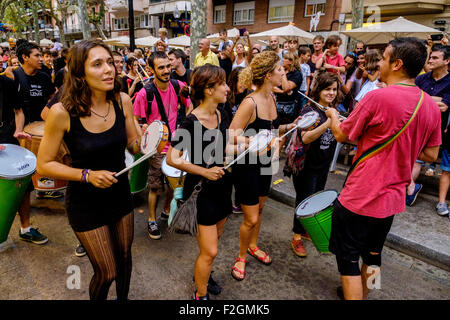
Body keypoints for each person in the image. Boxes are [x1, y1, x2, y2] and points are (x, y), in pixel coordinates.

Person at [325, 37, 441, 300]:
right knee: (374, 255)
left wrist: (332, 116)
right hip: (391, 199)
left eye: (385, 58)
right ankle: (366, 294)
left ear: (397, 64)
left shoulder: (378, 97)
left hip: (361, 195)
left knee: (348, 260)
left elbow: (343, 135)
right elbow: (432, 154)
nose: (379, 63)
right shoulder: (430, 106)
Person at [36, 39, 139, 300]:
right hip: (85, 203)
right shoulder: (62, 112)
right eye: (98, 64)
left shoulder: (122, 100)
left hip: (120, 193)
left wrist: (150, 139)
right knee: (106, 271)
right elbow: (44, 164)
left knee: (125, 258)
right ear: (80, 72)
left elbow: (134, 146)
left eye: (110, 63)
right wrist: (87, 175)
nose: (109, 70)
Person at [228, 51, 300, 281]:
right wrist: (256, 142)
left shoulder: (273, 98)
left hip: (266, 164)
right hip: (248, 165)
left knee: (259, 211)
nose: (283, 72)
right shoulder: (250, 102)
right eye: (280, 69)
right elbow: (231, 134)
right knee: (249, 218)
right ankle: (240, 256)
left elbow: (270, 128)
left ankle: (253, 245)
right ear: (269, 74)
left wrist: (292, 125)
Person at [168, 64, 233, 300]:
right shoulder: (191, 122)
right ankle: (200, 294)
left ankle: (204, 274)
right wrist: (204, 172)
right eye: (223, 84)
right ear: (208, 89)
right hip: (202, 193)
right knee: (210, 249)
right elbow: (172, 158)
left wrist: (252, 148)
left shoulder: (221, 113)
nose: (227, 88)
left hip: (224, 187)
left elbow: (223, 145)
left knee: (211, 248)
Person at [133, 51, 191, 240]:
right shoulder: (145, 93)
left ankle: (166, 210)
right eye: (161, 67)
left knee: (174, 185)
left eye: (168, 66)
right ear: (152, 69)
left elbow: (190, 106)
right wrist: (144, 136)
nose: (166, 70)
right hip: (157, 148)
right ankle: (151, 219)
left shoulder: (178, 85)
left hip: (176, 146)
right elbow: (135, 119)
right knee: (156, 187)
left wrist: (184, 124)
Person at [289, 70, 340, 257]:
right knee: (303, 201)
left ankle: (305, 231)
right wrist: (329, 121)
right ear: (318, 90)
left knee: (316, 198)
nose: (331, 93)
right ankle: (296, 237)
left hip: (322, 165)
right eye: (327, 89)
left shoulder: (332, 110)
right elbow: (306, 137)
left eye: (334, 89)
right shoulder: (310, 111)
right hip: (307, 167)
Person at [12, 41, 56, 244]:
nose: (41, 58)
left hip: (42, 134)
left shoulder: (45, 77)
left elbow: (52, 100)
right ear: (24, 58)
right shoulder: (12, 77)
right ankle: (25, 227)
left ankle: (47, 188)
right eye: (37, 55)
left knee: (46, 167)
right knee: (23, 184)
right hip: (18, 136)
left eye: (41, 55)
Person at [410, 44, 450, 212]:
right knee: (412, 160)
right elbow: (411, 100)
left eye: (435, 58)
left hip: (438, 132)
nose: (430, 60)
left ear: (447, 61)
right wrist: (432, 99)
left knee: (425, 160)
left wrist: (423, 99)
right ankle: (408, 190)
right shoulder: (421, 79)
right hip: (416, 127)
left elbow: (443, 107)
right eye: (430, 57)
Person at [273, 50, 303, 124]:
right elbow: (272, 87)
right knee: (276, 128)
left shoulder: (296, 74)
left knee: (288, 129)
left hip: (290, 106)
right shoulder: (279, 71)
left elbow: (286, 87)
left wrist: (283, 73)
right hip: (277, 104)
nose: (282, 60)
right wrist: (282, 92)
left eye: (285, 58)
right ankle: (275, 136)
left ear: (291, 61)